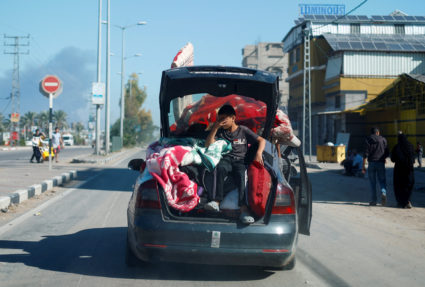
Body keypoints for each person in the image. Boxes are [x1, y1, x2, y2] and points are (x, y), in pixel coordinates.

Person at [204, 104, 266, 224]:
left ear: (233, 118)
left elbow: (261, 140)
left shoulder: (243, 130)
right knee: (220, 168)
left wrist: (258, 153)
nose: (222, 121)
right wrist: (215, 127)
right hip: (226, 159)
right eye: (219, 118)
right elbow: (208, 144)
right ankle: (216, 201)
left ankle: (243, 209)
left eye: (224, 118)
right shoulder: (221, 132)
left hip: (240, 161)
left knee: (241, 176)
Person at [362, 127, 389, 206]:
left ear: (372, 133)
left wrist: (363, 166)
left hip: (371, 163)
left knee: (372, 183)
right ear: (378, 132)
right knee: (382, 181)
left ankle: (374, 201)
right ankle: (383, 192)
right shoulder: (383, 139)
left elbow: (365, 153)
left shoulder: (368, 139)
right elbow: (387, 152)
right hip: (380, 163)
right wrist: (383, 158)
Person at [391, 132, 415, 208]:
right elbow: (413, 159)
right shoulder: (411, 146)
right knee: (408, 185)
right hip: (409, 169)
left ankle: (400, 202)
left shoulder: (396, 147)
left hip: (399, 170)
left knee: (399, 186)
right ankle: (407, 201)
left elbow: (392, 159)